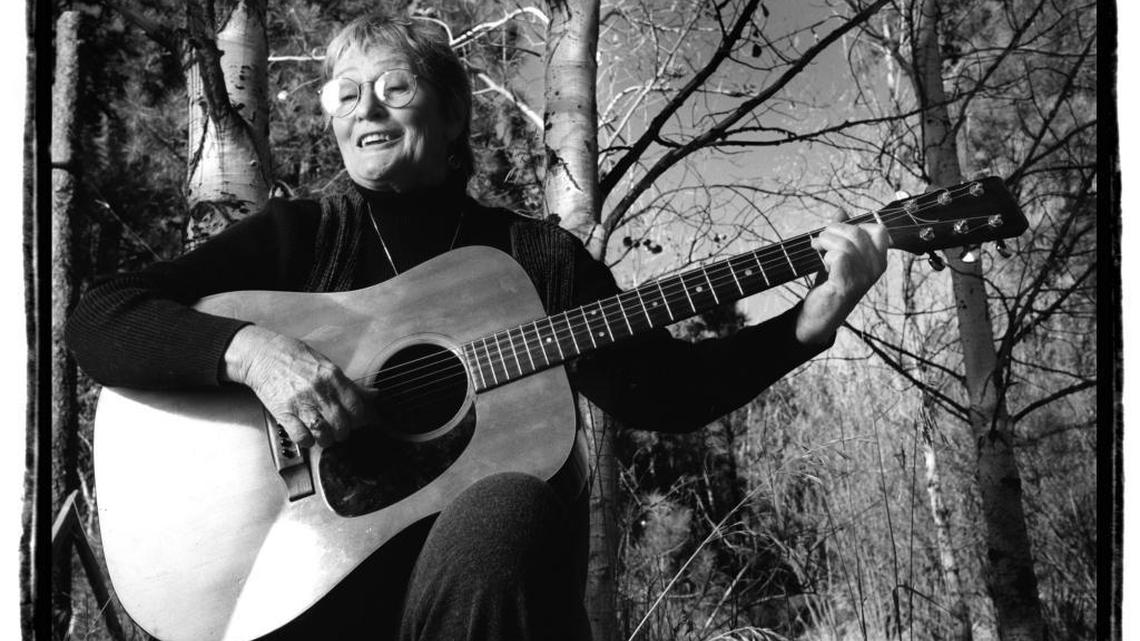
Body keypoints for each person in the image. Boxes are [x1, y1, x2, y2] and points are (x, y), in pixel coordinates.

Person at [66, 12, 889, 641]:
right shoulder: (304, 236)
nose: (366, 110)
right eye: (346, 96)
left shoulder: (537, 259)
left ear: (453, 112)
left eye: (393, 87)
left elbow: (659, 389)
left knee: (506, 509)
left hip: (465, 602)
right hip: (302, 592)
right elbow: (99, 317)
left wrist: (804, 327)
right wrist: (250, 351)